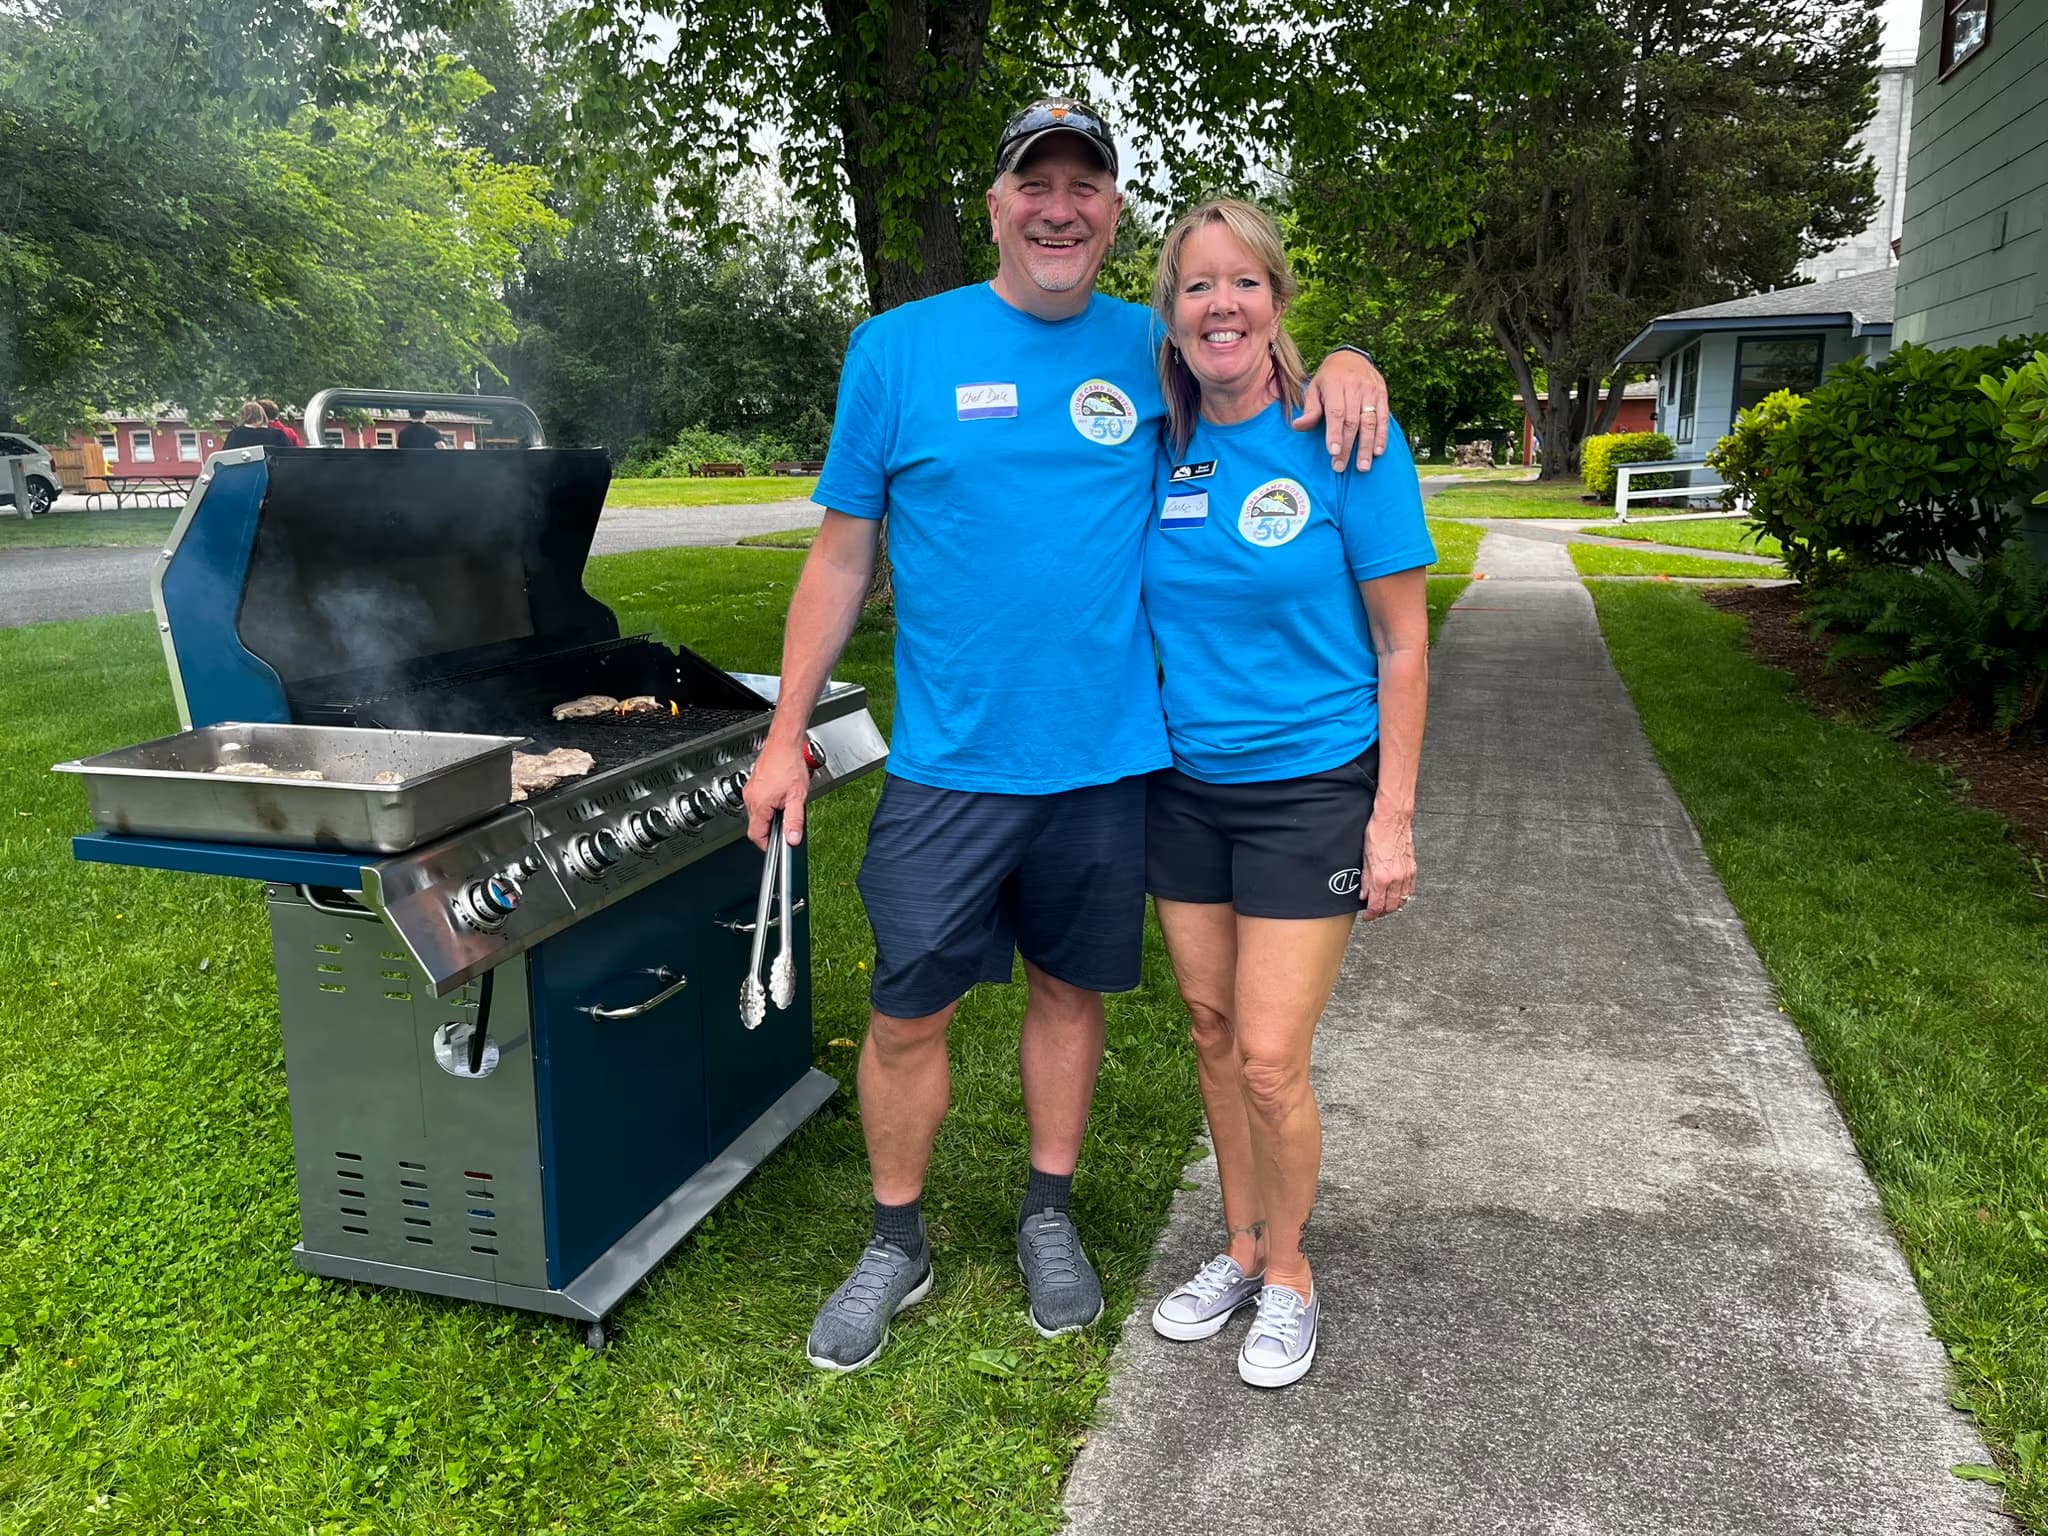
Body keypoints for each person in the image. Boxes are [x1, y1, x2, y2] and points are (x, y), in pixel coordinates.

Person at [740, 99, 1392, 1375]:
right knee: (906, 1007)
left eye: (1082, 186)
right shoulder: (895, 351)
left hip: (1108, 768)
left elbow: (1257, 364)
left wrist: (1347, 363)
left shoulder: (1151, 353)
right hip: (948, 764)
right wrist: (781, 736)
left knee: (1068, 994)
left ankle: (1049, 1212)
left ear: (1108, 214)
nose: (1056, 206)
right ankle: (894, 1238)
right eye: (1031, 184)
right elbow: (838, 556)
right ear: (994, 207)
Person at [1138, 199, 1433, 1388]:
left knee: (1268, 1056)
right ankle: (1240, 1243)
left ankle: (1292, 1272)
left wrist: (1392, 815)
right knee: (1211, 1036)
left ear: (1277, 302)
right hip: (1181, 790)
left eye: (1244, 284)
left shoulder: (1344, 438)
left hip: (1311, 789)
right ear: (1168, 312)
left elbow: (1403, 646)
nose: (1221, 305)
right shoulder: (1153, 442)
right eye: (1196, 286)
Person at [222, 400, 292, 451]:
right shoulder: (277, 435)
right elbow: (290, 456)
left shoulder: (236, 434)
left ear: (243, 416)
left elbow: (224, 458)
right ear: (262, 414)